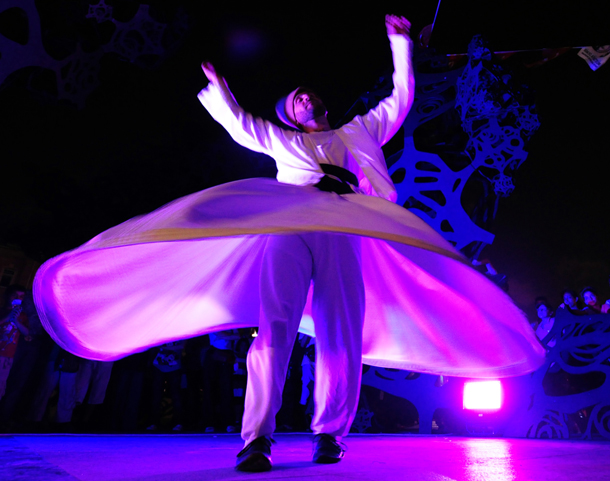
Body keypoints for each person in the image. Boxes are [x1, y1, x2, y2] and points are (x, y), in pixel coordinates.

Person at [33, 11, 544, 474]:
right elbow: (241, 126)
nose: (304, 97)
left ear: (319, 103)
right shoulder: (285, 140)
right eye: (294, 97)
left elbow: (401, 97)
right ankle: (256, 439)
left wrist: (400, 42)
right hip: (291, 221)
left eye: (308, 92)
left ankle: (329, 434)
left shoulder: (358, 132)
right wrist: (221, 91)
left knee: (340, 332)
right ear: (290, 114)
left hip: (347, 225)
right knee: (274, 325)